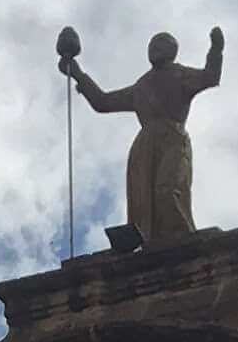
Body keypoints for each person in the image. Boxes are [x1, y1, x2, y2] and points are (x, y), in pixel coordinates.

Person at [58, 25, 223, 242]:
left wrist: (216, 49)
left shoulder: (179, 74)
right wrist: (78, 74)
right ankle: (144, 239)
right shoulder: (142, 86)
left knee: (168, 189)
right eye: (152, 45)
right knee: (141, 197)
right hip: (145, 143)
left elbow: (209, 76)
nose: (154, 49)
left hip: (172, 138)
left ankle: (181, 237)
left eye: (160, 45)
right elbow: (103, 102)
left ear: (172, 51)